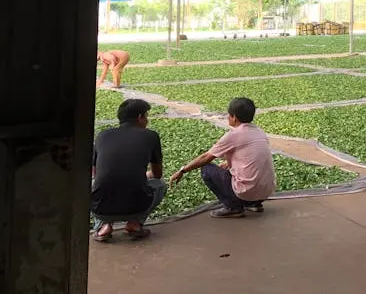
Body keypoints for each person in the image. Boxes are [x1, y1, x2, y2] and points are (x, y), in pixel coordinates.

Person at [170, 97, 275, 218]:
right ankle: (254, 204)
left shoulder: (233, 135)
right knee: (228, 169)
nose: (227, 117)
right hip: (266, 191)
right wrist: (228, 163)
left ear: (234, 117)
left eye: (228, 115)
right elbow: (251, 155)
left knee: (206, 169)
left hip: (246, 192)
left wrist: (182, 170)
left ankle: (233, 207)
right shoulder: (259, 132)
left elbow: (206, 157)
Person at [91, 98, 166, 242]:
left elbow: (96, 173)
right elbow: (157, 174)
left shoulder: (103, 135)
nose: (147, 120)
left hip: (99, 206)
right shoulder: (151, 136)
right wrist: (140, 174)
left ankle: (104, 226)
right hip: (136, 204)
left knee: (96, 184)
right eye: (146, 116)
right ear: (140, 117)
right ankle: (135, 223)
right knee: (160, 184)